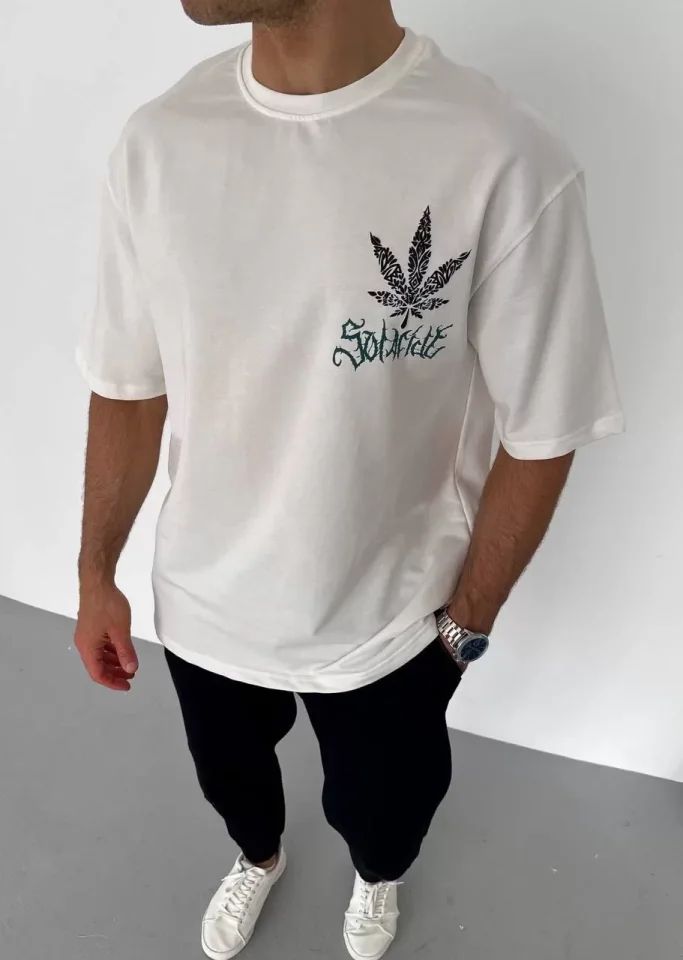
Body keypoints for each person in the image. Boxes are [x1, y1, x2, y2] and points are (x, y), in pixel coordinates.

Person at [73, 1, 625, 958]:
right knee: (232, 787)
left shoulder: (500, 157)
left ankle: (376, 877)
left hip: (388, 628)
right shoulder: (159, 145)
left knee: (386, 814)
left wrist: (462, 630)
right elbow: (128, 386)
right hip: (202, 606)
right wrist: (94, 572)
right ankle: (258, 857)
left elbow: (544, 429)